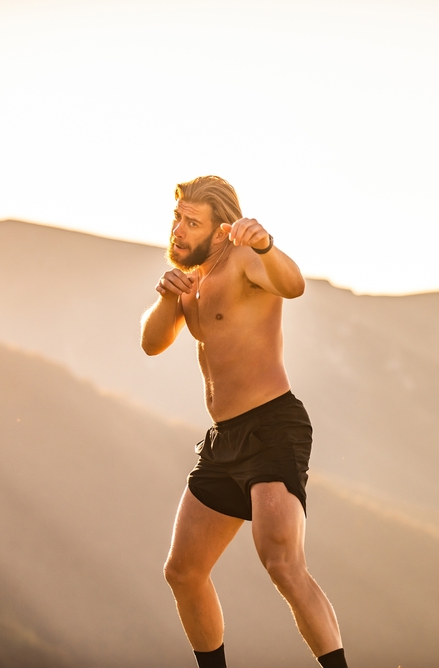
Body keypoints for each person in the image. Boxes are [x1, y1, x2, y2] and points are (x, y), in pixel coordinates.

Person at [140, 176, 348, 668]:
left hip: (272, 425)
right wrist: (167, 297)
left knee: (282, 563)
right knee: (183, 571)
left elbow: (293, 286)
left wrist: (266, 245)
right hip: (223, 440)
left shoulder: (243, 260)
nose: (178, 230)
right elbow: (151, 342)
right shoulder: (189, 283)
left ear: (220, 231)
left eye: (192, 223)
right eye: (177, 218)